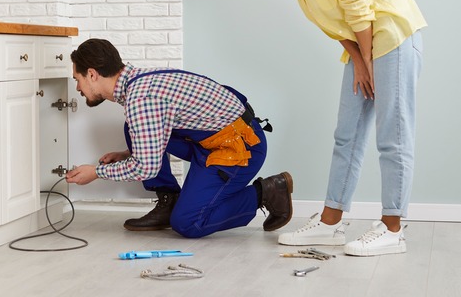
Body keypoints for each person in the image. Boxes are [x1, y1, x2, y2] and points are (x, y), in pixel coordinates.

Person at [238, 0, 426, 256]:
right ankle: (330, 222)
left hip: (392, 32)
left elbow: (357, 5)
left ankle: (393, 228)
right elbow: (326, 19)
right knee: (347, 135)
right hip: (364, 43)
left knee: (393, 134)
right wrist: (358, 59)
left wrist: (369, 60)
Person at [65, 38, 293, 238]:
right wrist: (130, 152)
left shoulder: (141, 98)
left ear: (92, 74)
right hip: (213, 139)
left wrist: (96, 172)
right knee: (132, 128)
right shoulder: (138, 81)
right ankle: (170, 202)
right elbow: (152, 130)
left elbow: (146, 169)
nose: (77, 87)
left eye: (78, 79)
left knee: (188, 223)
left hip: (239, 147)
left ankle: (267, 192)